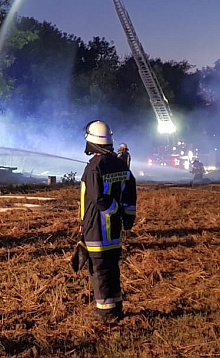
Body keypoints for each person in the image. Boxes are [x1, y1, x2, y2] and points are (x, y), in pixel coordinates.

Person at [78, 120, 137, 320]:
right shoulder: (121, 165)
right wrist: (127, 217)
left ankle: (105, 312)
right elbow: (130, 193)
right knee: (112, 267)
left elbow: (97, 198)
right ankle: (116, 305)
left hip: (97, 228)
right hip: (115, 231)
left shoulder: (95, 166)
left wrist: (113, 210)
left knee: (99, 269)